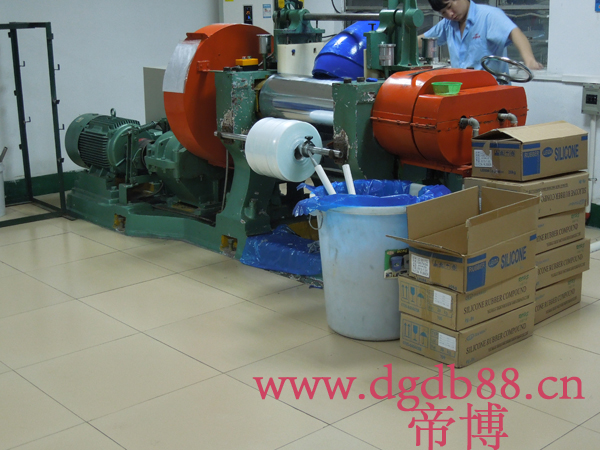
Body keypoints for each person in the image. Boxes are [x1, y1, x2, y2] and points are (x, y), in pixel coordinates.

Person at [420, 0, 543, 74]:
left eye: (449, 6)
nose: (450, 14)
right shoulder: (448, 24)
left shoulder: (488, 16)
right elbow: (423, 40)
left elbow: (515, 33)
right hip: (463, 92)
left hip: (492, 92)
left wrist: (529, 60)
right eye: (443, 13)